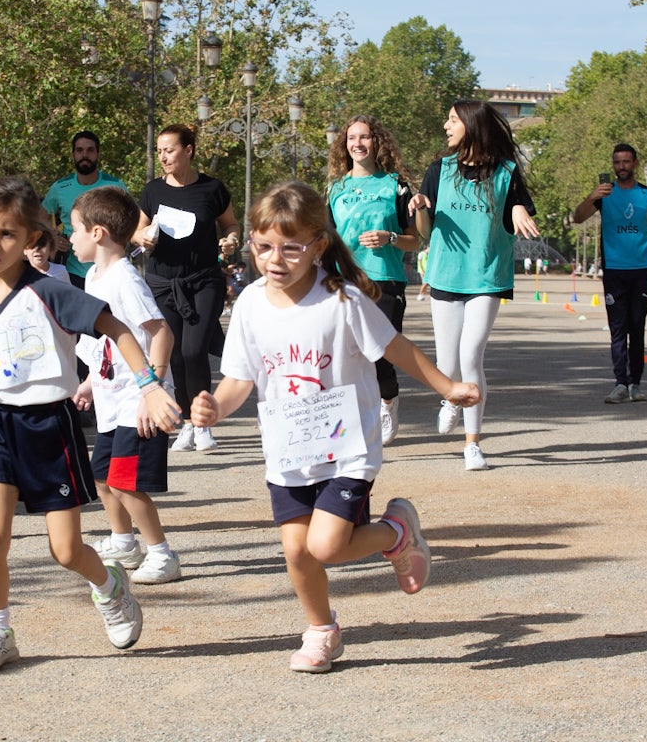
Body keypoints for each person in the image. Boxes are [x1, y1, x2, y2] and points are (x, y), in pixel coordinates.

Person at [190, 181, 480, 674]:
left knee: (325, 546)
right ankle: (322, 630)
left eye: (290, 247)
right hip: (289, 449)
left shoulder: (341, 299)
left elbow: (396, 348)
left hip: (347, 447)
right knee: (297, 551)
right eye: (263, 247)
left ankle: (394, 532)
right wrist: (216, 406)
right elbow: (240, 378)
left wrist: (447, 386)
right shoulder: (250, 305)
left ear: (318, 246)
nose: (274, 259)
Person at [0, 177, 181, 674]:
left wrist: (149, 386)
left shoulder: (52, 293)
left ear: (31, 238)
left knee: (66, 549)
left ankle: (110, 586)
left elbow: (118, 328)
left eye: (8, 234)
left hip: (48, 425)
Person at [410, 99, 539, 471]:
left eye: (452, 120)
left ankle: (472, 444)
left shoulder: (506, 172)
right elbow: (425, 234)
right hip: (446, 275)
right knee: (447, 362)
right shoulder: (439, 169)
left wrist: (516, 207)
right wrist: (419, 207)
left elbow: (519, 207)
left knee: (471, 356)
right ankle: (450, 398)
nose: (446, 126)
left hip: (487, 275)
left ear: (471, 124)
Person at [70, 186, 181, 585]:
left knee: (126, 481)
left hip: (138, 401)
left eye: (75, 230)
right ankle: (123, 541)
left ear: (97, 233)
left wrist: (153, 390)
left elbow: (161, 332)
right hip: (110, 400)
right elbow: (101, 343)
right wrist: (87, 382)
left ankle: (161, 553)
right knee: (102, 475)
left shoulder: (124, 280)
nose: (70, 239)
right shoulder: (94, 277)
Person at [132, 124, 240, 453]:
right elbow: (136, 232)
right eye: (160, 151)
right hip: (163, 283)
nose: (163, 156)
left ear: (188, 151)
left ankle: (204, 422)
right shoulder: (153, 191)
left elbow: (231, 223)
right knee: (175, 354)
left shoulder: (212, 189)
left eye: (170, 150)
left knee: (194, 350)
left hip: (203, 280)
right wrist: (143, 238)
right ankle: (188, 425)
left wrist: (232, 239)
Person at [326, 115, 418, 446]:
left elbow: (415, 240)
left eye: (365, 137)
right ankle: (352, 424)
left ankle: (388, 401)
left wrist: (390, 237)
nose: (358, 143)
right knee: (345, 357)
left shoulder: (396, 184)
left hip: (385, 280)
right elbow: (325, 238)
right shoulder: (336, 188)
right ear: (344, 144)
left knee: (381, 355)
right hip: (343, 281)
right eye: (352, 138)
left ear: (376, 142)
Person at [572, 143, 647, 403]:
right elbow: (578, 218)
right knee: (618, 330)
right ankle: (619, 383)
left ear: (635, 164)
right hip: (614, 270)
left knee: (637, 328)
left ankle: (636, 385)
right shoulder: (604, 195)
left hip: (640, 270)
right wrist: (592, 196)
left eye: (626, 162)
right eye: (617, 162)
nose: (621, 167)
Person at [42, 131, 128, 289]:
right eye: (79, 150)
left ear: (98, 153)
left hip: (110, 272)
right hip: (72, 273)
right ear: (73, 154)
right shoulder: (60, 187)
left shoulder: (116, 186)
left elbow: (131, 223)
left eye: (90, 150)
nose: (85, 155)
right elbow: (39, 220)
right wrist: (52, 239)